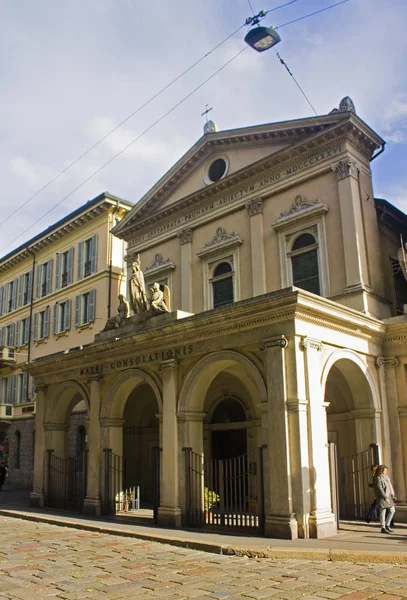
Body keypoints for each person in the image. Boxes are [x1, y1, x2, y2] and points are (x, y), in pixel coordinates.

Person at [374, 464, 396, 534]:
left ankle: (387, 524)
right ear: (381, 470)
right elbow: (379, 488)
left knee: (392, 510)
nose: (386, 471)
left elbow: (390, 487)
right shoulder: (378, 478)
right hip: (382, 497)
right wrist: (385, 497)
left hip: (388, 496)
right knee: (383, 512)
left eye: (387, 470)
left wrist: (392, 495)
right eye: (385, 470)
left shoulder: (387, 477)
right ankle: (383, 527)